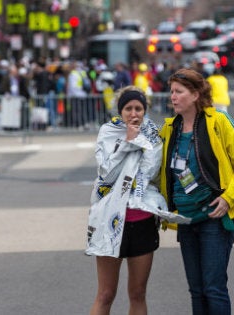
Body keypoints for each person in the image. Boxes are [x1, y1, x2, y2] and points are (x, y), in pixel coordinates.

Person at [159, 68, 234, 314]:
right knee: (197, 290)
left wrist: (228, 198)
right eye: (171, 92)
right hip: (186, 219)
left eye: (179, 92)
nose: (173, 97)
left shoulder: (218, 121)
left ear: (196, 94)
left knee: (213, 288)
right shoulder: (170, 128)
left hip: (215, 218)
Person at [88, 86, 162, 315]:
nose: (134, 114)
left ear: (145, 111)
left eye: (138, 108)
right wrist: (128, 143)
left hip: (142, 220)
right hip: (110, 220)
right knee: (106, 294)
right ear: (121, 111)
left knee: (138, 293)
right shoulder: (108, 132)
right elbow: (107, 173)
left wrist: (140, 140)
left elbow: (150, 172)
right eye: (128, 108)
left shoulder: (152, 135)